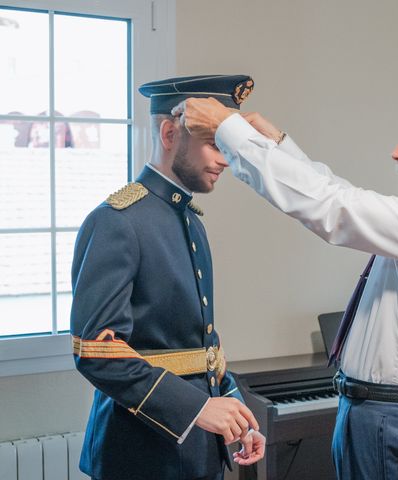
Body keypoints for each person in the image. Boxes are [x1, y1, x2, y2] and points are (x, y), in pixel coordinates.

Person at [174, 79, 398, 480]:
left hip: (393, 418)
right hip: (383, 414)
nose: (397, 152)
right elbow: (339, 193)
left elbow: (333, 206)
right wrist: (279, 144)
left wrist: (227, 127)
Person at [70, 74, 264, 480]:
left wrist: (233, 408)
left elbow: (199, 344)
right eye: (214, 144)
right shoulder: (117, 222)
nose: (225, 160)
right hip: (140, 453)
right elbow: (96, 351)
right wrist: (196, 408)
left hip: (198, 451)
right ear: (169, 132)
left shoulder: (190, 220)